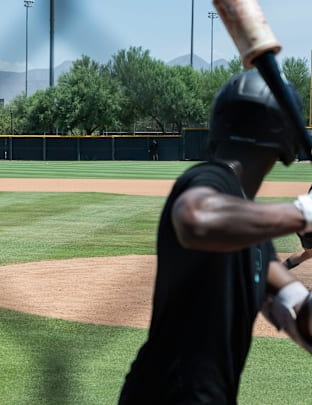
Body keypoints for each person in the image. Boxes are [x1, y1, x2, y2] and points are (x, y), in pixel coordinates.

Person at [118, 69, 312, 404]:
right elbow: (196, 219)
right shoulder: (210, 180)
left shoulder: (251, 231)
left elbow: (299, 310)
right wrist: (305, 211)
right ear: (287, 138)